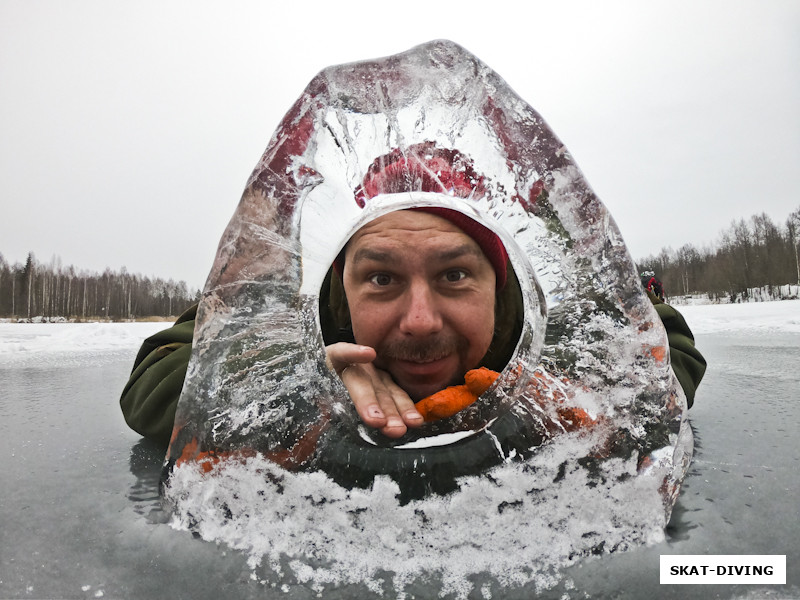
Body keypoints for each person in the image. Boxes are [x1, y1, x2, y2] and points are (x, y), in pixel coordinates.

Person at [121, 146, 706, 448]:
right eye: (381, 279)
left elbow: (666, 345)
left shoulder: (534, 318)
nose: (421, 321)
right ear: (341, 281)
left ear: (498, 284)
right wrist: (298, 383)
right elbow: (155, 383)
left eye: (454, 276)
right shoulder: (302, 314)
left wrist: (557, 387)